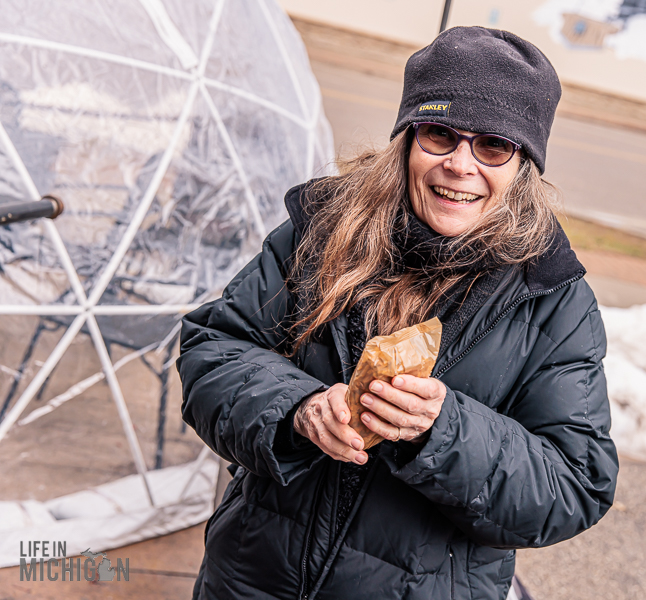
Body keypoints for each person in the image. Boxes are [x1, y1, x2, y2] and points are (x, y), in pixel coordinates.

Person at [178, 26, 618, 600]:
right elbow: (212, 351)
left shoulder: (552, 301)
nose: (461, 164)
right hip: (253, 581)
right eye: (440, 134)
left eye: (493, 146)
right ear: (409, 139)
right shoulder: (321, 232)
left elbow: (575, 484)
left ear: (522, 166)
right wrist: (298, 409)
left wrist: (443, 432)